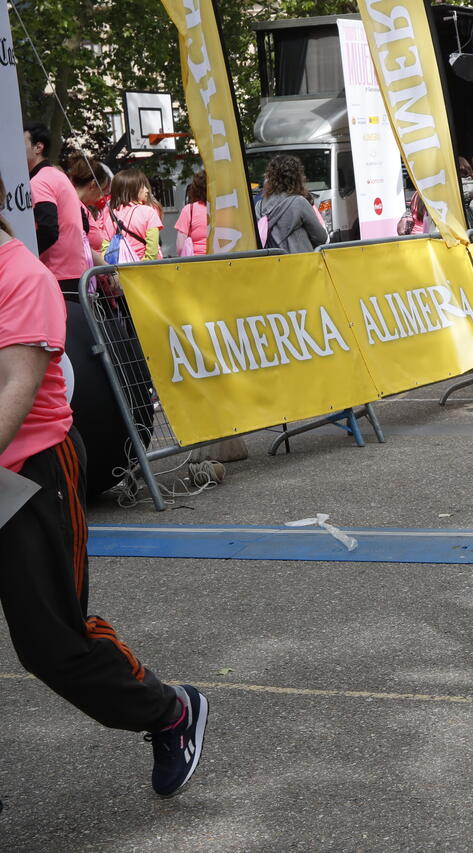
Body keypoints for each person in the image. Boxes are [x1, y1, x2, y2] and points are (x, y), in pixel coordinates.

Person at [0, 174, 209, 799]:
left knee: (53, 643)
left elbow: (17, 386)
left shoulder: (21, 276)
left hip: (30, 473)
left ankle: (169, 711)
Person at [24, 122, 90, 296]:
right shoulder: (59, 177)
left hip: (55, 274)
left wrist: (23, 256)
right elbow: (85, 224)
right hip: (76, 273)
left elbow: (48, 229)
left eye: (22, 142)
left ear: (38, 147)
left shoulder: (39, 181)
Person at [255, 154, 328, 253]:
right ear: (297, 177)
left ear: (270, 177)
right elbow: (321, 237)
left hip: (272, 264)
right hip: (300, 263)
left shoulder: (259, 207)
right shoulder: (299, 202)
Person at [100, 169, 164, 262]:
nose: (147, 190)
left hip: (118, 270)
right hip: (144, 270)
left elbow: (105, 245)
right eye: (143, 187)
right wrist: (143, 265)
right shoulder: (148, 212)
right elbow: (152, 248)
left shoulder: (108, 212)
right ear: (132, 189)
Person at [65, 154, 111, 272]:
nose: (101, 197)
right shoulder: (74, 207)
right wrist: (108, 270)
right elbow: (79, 244)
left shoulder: (78, 206)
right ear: (93, 185)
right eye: (101, 190)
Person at [175, 171, 209, 256]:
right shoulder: (220, 209)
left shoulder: (189, 210)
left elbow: (180, 246)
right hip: (220, 261)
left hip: (196, 263)